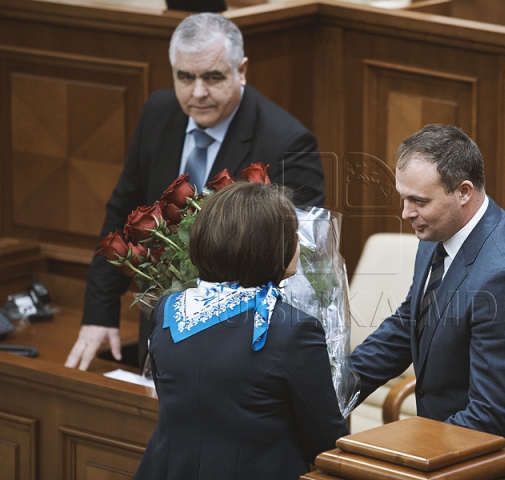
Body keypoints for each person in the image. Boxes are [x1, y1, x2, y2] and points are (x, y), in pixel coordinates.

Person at [65, 12, 325, 370]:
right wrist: (99, 314)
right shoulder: (158, 112)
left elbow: (304, 256)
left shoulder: (287, 142)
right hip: (161, 327)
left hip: (241, 342)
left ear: (242, 70)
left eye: (213, 77)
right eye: (185, 77)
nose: (198, 92)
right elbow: (121, 214)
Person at [349, 124, 505, 479]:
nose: (406, 213)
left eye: (419, 201)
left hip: (502, 465)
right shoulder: (438, 229)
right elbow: (411, 321)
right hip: (449, 451)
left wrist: (401, 457)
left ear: (463, 192)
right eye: (403, 198)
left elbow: (487, 415)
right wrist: (335, 386)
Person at [134, 182, 348, 479]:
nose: (299, 242)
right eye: (293, 235)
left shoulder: (167, 309)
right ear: (271, 246)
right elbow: (325, 442)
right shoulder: (292, 329)